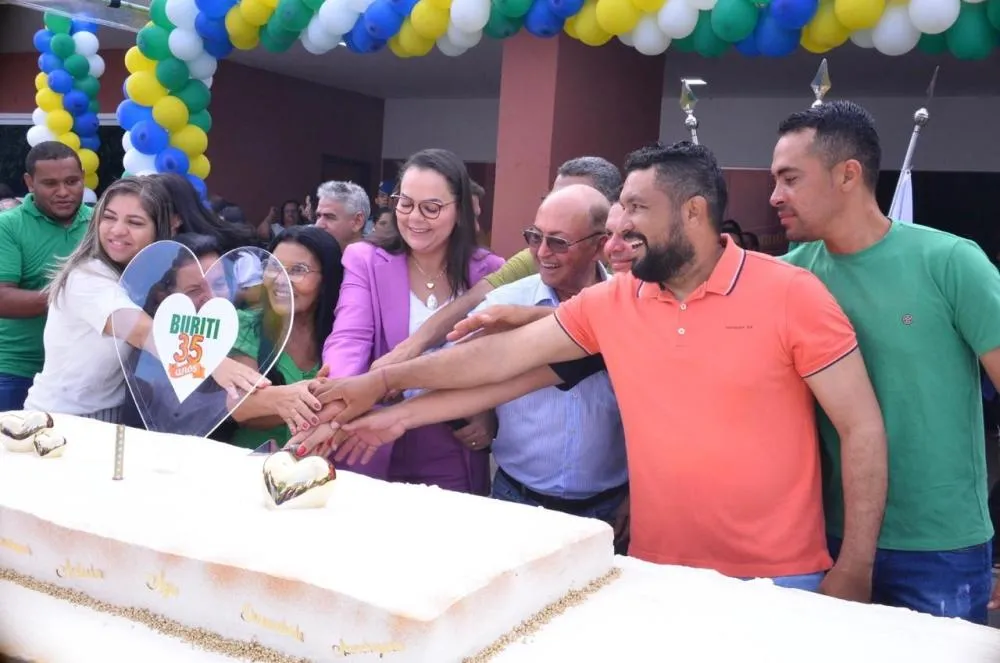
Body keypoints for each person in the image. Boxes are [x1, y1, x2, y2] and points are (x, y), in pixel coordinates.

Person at [294, 141, 888, 601]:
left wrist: (855, 566)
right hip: (653, 573)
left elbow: (861, 429)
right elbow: (503, 358)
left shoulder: (792, 294)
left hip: (780, 579)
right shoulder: (615, 303)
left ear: (694, 212)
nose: (619, 228)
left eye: (635, 209)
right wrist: (383, 387)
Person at [773, 100, 1000, 624]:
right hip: (826, 532)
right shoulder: (790, 279)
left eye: (790, 179)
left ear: (847, 174)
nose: (775, 196)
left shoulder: (950, 261)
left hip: (940, 543)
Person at [317, 148, 504, 494]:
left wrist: (488, 411)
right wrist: (342, 397)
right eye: (405, 204)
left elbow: (499, 354)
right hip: (368, 430)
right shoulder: (366, 260)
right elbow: (349, 338)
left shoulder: (489, 270)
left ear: (460, 211)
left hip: (450, 439)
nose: (415, 218)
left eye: (431, 208)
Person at [23, 177, 265, 423]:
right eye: (108, 217)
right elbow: (139, 330)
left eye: (135, 222)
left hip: (114, 421)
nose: (117, 230)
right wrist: (214, 363)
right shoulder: (87, 277)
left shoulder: (148, 282)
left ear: (158, 230)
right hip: (59, 419)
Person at [369, 156, 622, 372]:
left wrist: (525, 317)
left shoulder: (637, 273)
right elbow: (473, 303)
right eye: (552, 196)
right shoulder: (531, 263)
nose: (544, 251)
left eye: (572, 198)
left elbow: (612, 324)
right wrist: (407, 352)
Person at [229, 227, 344, 449]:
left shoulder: (343, 333)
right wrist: (304, 402)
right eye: (273, 266)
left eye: (298, 270)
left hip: (324, 466)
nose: (280, 279)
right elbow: (239, 406)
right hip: (251, 461)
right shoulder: (246, 323)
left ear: (326, 280)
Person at [0, 142, 90, 410]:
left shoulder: (102, 224)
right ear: (30, 183)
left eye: (72, 181)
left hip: (82, 374)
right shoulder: (8, 226)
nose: (63, 192)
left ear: (83, 177)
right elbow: (3, 298)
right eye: (50, 184)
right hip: (15, 369)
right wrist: (73, 296)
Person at [314, 180, 369, 250]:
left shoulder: (378, 260)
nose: (318, 225)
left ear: (357, 221)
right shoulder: (311, 256)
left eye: (329, 217)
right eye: (318, 216)